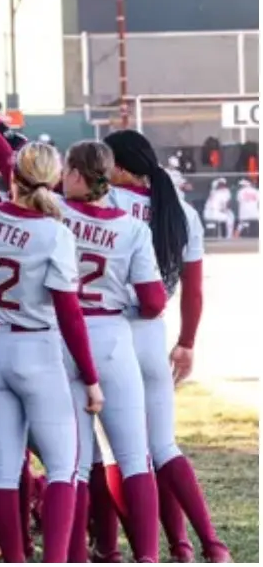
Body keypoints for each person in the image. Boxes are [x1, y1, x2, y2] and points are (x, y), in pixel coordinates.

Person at [0, 139, 100, 562]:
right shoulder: (54, 232)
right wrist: (91, 377)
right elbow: (69, 312)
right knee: (64, 465)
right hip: (36, 347)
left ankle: (15, 558)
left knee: (5, 469)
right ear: (55, 179)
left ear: (12, 175)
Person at [105, 128, 230, 562]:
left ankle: (126, 548)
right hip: (153, 333)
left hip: (109, 331)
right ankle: (204, 544)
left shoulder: (108, 202)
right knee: (164, 447)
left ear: (118, 167)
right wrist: (187, 343)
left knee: (119, 455)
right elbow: (193, 290)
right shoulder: (180, 210)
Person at [58, 140, 167, 562]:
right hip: (111, 331)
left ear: (79, 174)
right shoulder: (132, 227)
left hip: (63, 336)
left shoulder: (56, 213)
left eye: (68, 169)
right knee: (134, 456)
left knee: (77, 460)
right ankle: (147, 556)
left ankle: (78, 555)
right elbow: (155, 301)